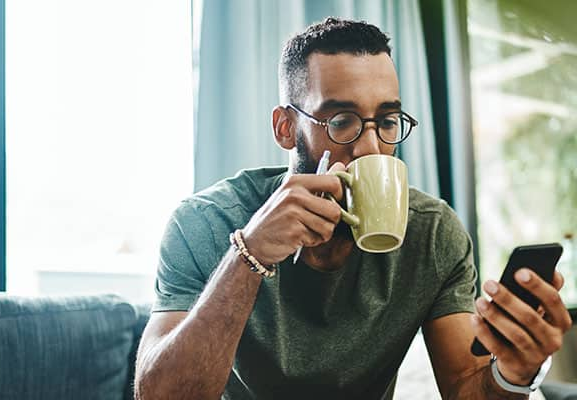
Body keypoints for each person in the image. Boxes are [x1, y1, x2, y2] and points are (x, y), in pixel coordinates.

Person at [134, 17, 572, 399]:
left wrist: (515, 374)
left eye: (385, 121)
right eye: (341, 120)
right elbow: (158, 395)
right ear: (286, 128)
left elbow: (465, 387)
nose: (371, 149)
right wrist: (248, 256)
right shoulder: (207, 222)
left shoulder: (432, 233)